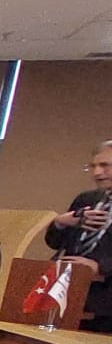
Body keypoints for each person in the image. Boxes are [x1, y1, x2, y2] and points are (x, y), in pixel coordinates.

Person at [46, 140, 112, 330]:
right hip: (69, 294)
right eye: (93, 166)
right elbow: (54, 242)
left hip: (105, 302)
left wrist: (100, 267)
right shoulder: (86, 200)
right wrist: (60, 223)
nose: (97, 173)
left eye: (105, 166)